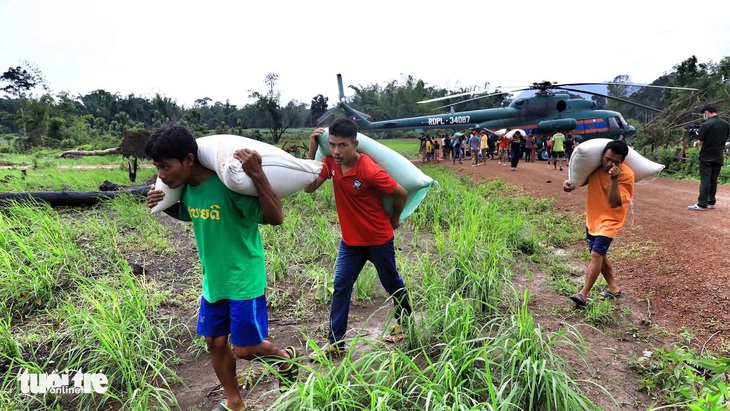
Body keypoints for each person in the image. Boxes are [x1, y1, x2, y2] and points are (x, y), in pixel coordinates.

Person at [145, 125, 298, 411]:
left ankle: (285, 359)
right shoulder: (186, 190)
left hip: (243, 279)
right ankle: (234, 402)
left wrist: (258, 176)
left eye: (165, 166)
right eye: (157, 167)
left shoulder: (229, 184)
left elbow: (276, 217)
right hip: (213, 281)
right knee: (214, 343)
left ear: (189, 160)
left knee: (244, 349)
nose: (161, 175)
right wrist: (163, 205)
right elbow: (192, 215)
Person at [306, 118, 413, 360]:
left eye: (342, 145)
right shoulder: (331, 163)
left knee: (391, 283)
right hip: (351, 242)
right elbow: (309, 187)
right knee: (341, 287)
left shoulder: (369, 170)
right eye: (332, 144)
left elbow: (401, 192)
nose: (336, 151)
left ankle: (405, 323)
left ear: (355, 144)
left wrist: (395, 220)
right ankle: (335, 343)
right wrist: (313, 148)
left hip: (378, 239)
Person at [563, 140, 634, 309]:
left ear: (621, 162)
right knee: (600, 255)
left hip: (610, 221)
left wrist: (614, 179)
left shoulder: (626, 175)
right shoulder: (595, 168)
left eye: (615, 161)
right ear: (603, 155)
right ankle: (613, 288)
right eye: (607, 159)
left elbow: (614, 202)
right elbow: (581, 181)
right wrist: (569, 186)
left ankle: (583, 294)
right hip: (593, 218)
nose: (610, 164)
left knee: (596, 255)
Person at [687, 104, 729, 211]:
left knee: (705, 179)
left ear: (707, 112)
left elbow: (701, 141)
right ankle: (711, 201)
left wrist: (696, 143)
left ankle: (702, 204)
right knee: (713, 179)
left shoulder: (707, 124)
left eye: (704, 114)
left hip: (707, 156)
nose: (704, 116)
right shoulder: (726, 124)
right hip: (718, 155)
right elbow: (726, 139)